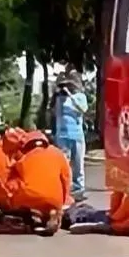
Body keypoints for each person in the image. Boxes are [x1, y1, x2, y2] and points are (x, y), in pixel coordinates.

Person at [0, 130, 72, 236]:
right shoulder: (58, 154)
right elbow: (66, 179)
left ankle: (33, 215)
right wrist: (63, 202)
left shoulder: (22, 158)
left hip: (29, 197)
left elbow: (10, 184)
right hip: (55, 199)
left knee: (20, 194)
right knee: (50, 203)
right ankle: (51, 213)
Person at [52, 71, 88, 201]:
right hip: (62, 134)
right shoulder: (59, 99)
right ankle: (64, 188)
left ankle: (79, 189)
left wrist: (70, 96)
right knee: (64, 163)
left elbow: (83, 109)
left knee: (78, 162)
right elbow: (56, 115)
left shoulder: (80, 97)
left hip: (77, 134)